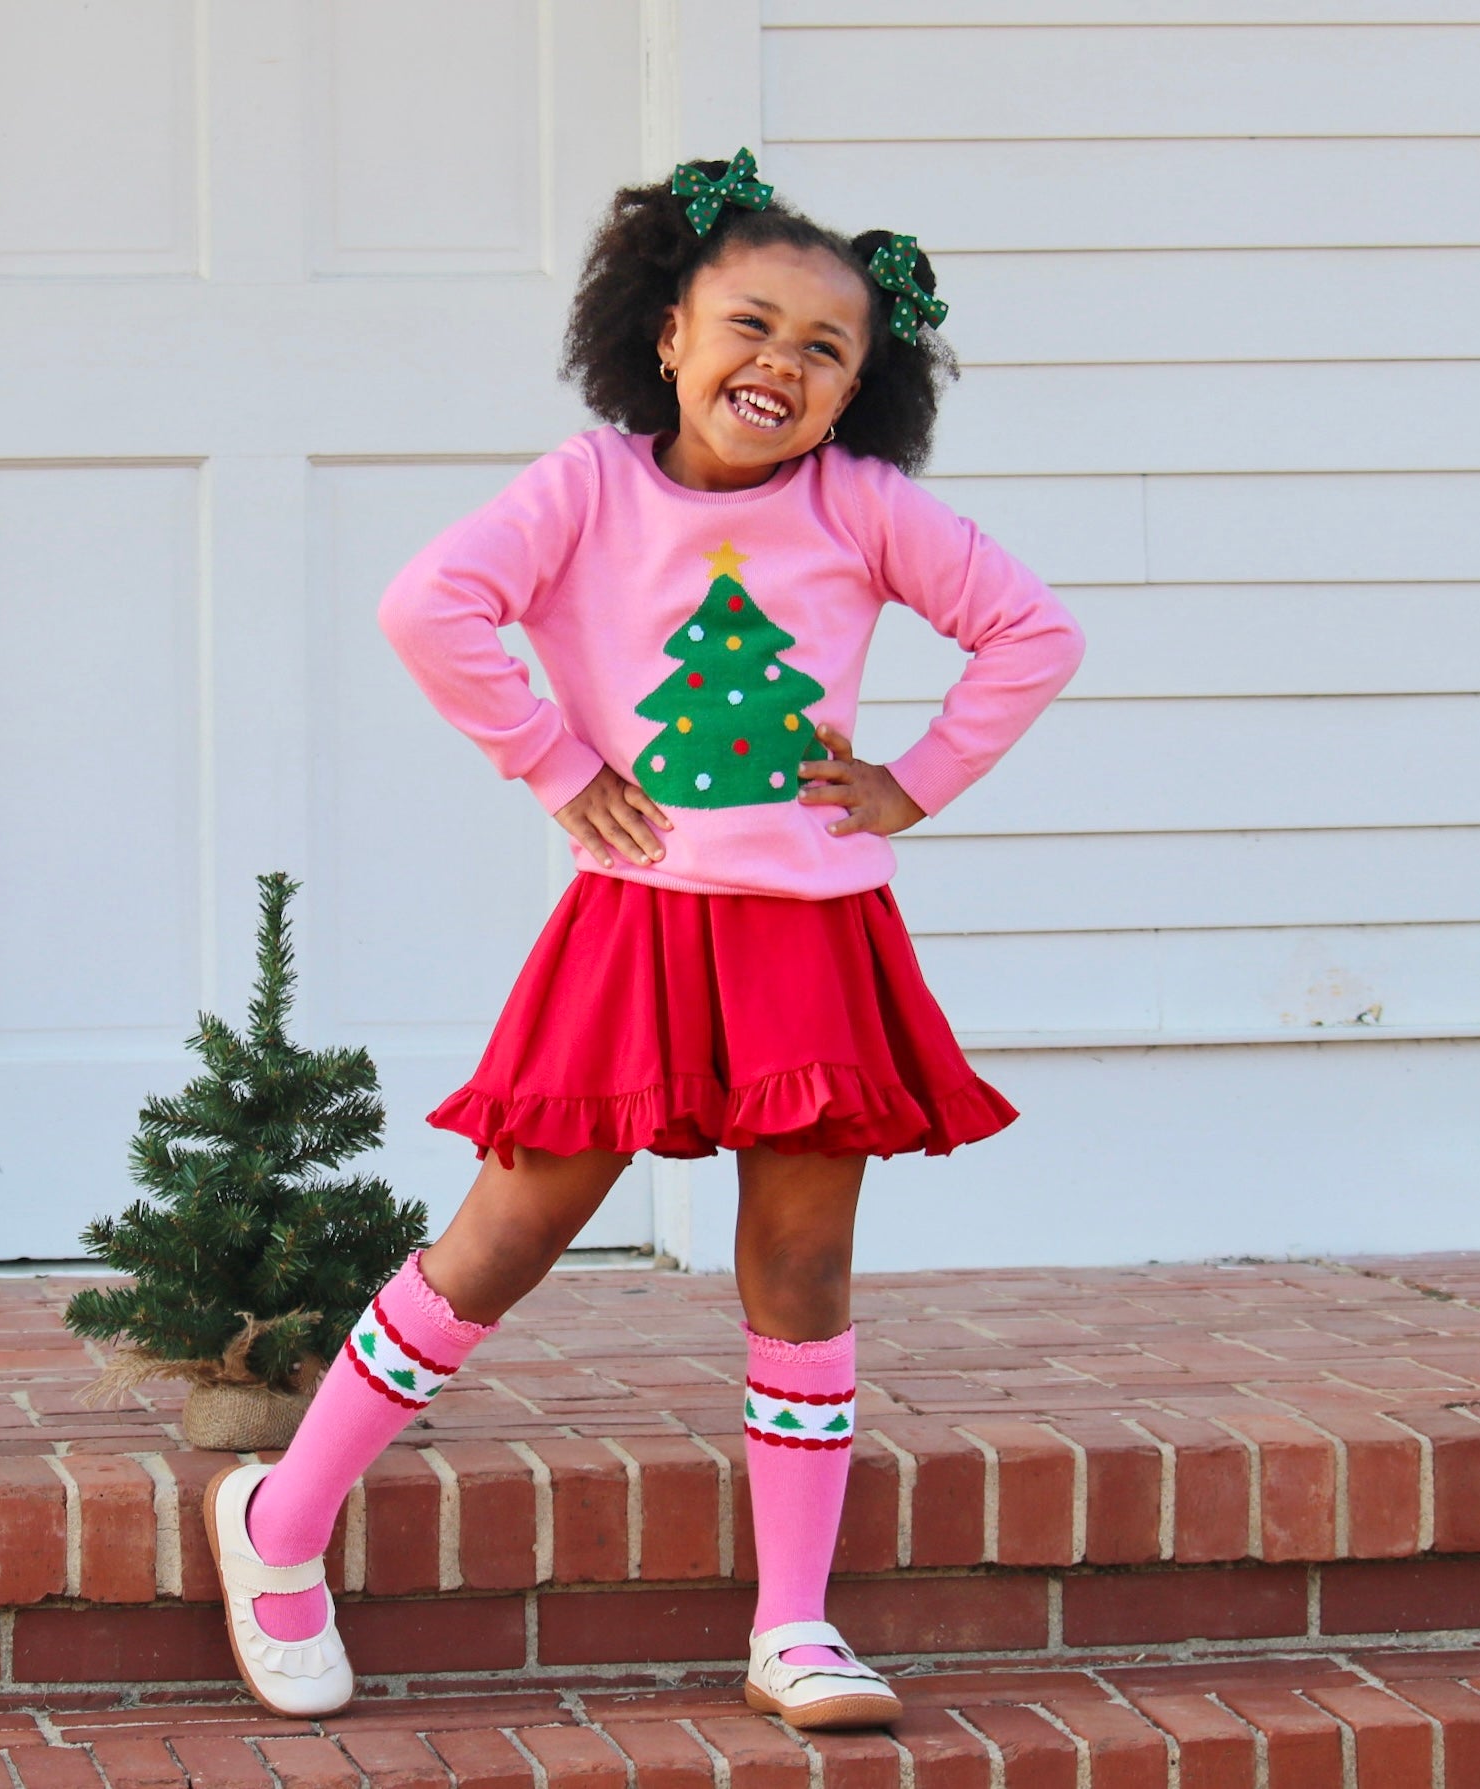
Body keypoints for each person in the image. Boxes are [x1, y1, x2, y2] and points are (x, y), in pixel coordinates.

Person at [204, 149, 1085, 1728]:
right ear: (665, 331)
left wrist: (916, 780)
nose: (782, 367)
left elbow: (1034, 631)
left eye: (827, 352)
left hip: (815, 936)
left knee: (802, 1266)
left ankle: (796, 1625)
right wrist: (555, 762)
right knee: (508, 1234)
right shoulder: (588, 486)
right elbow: (431, 604)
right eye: (749, 325)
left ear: (855, 394)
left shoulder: (862, 508)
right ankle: (280, 1521)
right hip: (640, 930)